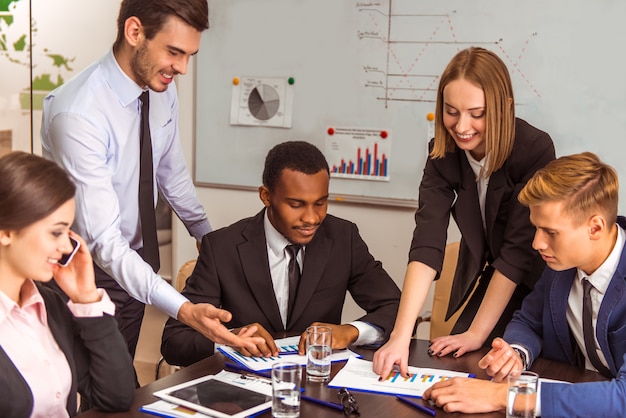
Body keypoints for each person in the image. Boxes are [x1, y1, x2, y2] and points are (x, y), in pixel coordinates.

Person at [40, 0, 261, 368]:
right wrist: (185, 310)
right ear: (134, 32)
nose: (183, 68)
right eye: (174, 52)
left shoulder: (159, 86)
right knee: (95, 388)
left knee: (120, 375)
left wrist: (211, 242)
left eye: (190, 55)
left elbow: (171, 173)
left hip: (137, 260)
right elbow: (105, 243)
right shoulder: (78, 116)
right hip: (86, 273)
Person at [373, 47, 556, 378]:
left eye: (477, 113)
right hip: (494, 279)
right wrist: (401, 336)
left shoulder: (533, 149)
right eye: (451, 112)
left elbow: (516, 253)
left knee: (503, 371)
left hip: (537, 285)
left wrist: (476, 333)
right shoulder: (442, 155)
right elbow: (427, 243)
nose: (462, 126)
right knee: (456, 366)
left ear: (504, 108)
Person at [160, 141, 401, 366]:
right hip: (243, 393)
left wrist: (351, 332)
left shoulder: (342, 238)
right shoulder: (222, 247)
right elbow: (174, 341)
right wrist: (229, 338)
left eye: (320, 203)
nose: (312, 218)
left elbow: (396, 308)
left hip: (317, 388)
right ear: (266, 196)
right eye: (296, 204)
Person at [424, 152, 626, 417]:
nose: (537, 244)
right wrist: (516, 353)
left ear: (596, 228)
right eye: (536, 229)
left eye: (551, 233)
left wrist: (505, 395)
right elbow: (529, 320)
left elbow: (622, 398)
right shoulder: (560, 265)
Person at [0, 151, 135, 416]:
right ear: (6, 232)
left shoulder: (49, 304)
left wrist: (87, 298)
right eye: (56, 232)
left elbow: (116, 395)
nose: (66, 247)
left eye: (68, 232)